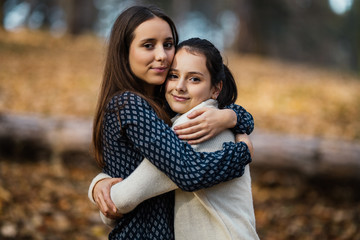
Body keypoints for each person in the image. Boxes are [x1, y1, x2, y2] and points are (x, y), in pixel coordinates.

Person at [90, 5, 254, 239]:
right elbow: (188, 171)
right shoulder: (129, 104)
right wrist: (242, 152)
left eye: (168, 44)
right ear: (124, 51)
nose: (162, 55)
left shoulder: (166, 104)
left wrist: (234, 116)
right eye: (148, 45)